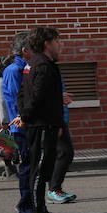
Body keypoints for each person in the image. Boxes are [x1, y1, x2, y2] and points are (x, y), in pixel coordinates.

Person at [18, 27, 70, 213]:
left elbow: (23, 94)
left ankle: (41, 211)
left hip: (40, 124)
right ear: (47, 43)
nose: (60, 45)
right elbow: (37, 97)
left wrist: (25, 116)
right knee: (41, 169)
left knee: (38, 169)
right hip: (42, 126)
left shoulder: (32, 63)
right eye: (57, 41)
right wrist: (27, 117)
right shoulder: (45, 66)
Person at [0, 33, 31, 190]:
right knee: (27, 165)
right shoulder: (14, 70)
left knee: (30, 164)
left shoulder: (24, 68)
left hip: (27, 122)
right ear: (25, 50)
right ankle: (26, 203)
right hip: (21, 124)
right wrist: (22, 116)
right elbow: (15, 98)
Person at [45, 65, 76, 204]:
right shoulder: (41, 66)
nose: (59, 45)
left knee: (60, 153)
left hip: (59, 117)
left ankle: (54, 189)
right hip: (53, 119)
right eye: (56, 41)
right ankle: (53, 189)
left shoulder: (50, 66)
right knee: (65, 152)